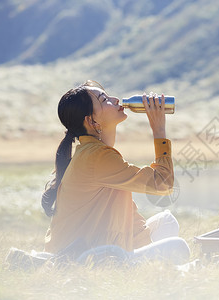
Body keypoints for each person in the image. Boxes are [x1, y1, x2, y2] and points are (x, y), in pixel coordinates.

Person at [40, 80, 190, 266]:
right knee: (179, 247)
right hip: (86, 259)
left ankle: (143, 265)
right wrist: (158, 130)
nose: (115, 99)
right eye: (104, 100)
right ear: (91, 121)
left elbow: (130, 219)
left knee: (166, 221)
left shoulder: (93, 152)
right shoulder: (97, 157)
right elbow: (163, 184)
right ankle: (144, 267)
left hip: (97, 251)